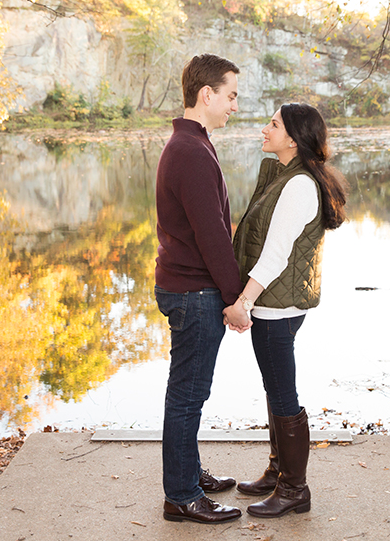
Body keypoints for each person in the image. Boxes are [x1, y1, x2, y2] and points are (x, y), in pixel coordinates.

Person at [223, 103, 347, 518]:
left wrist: (244, 301)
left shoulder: (298, 186)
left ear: (293, 138)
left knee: (282, 394)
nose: (264, 129)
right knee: (276, 389)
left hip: (276, 307)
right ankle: (280, 472)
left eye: (272, 124)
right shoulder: (287, 177)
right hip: (277, 304)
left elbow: (275, 254)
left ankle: (295, 489)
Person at [154, 53, 251, 524]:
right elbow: (212, 234)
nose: (235, 104)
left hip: (187, 286)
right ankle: (182, 496)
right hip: (194, 293)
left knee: (188, 391)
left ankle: (188, 473)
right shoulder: (191, 151)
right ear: (206, 94)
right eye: (231, 95)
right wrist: (235, 299)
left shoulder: (191, 143)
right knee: (188, 395)